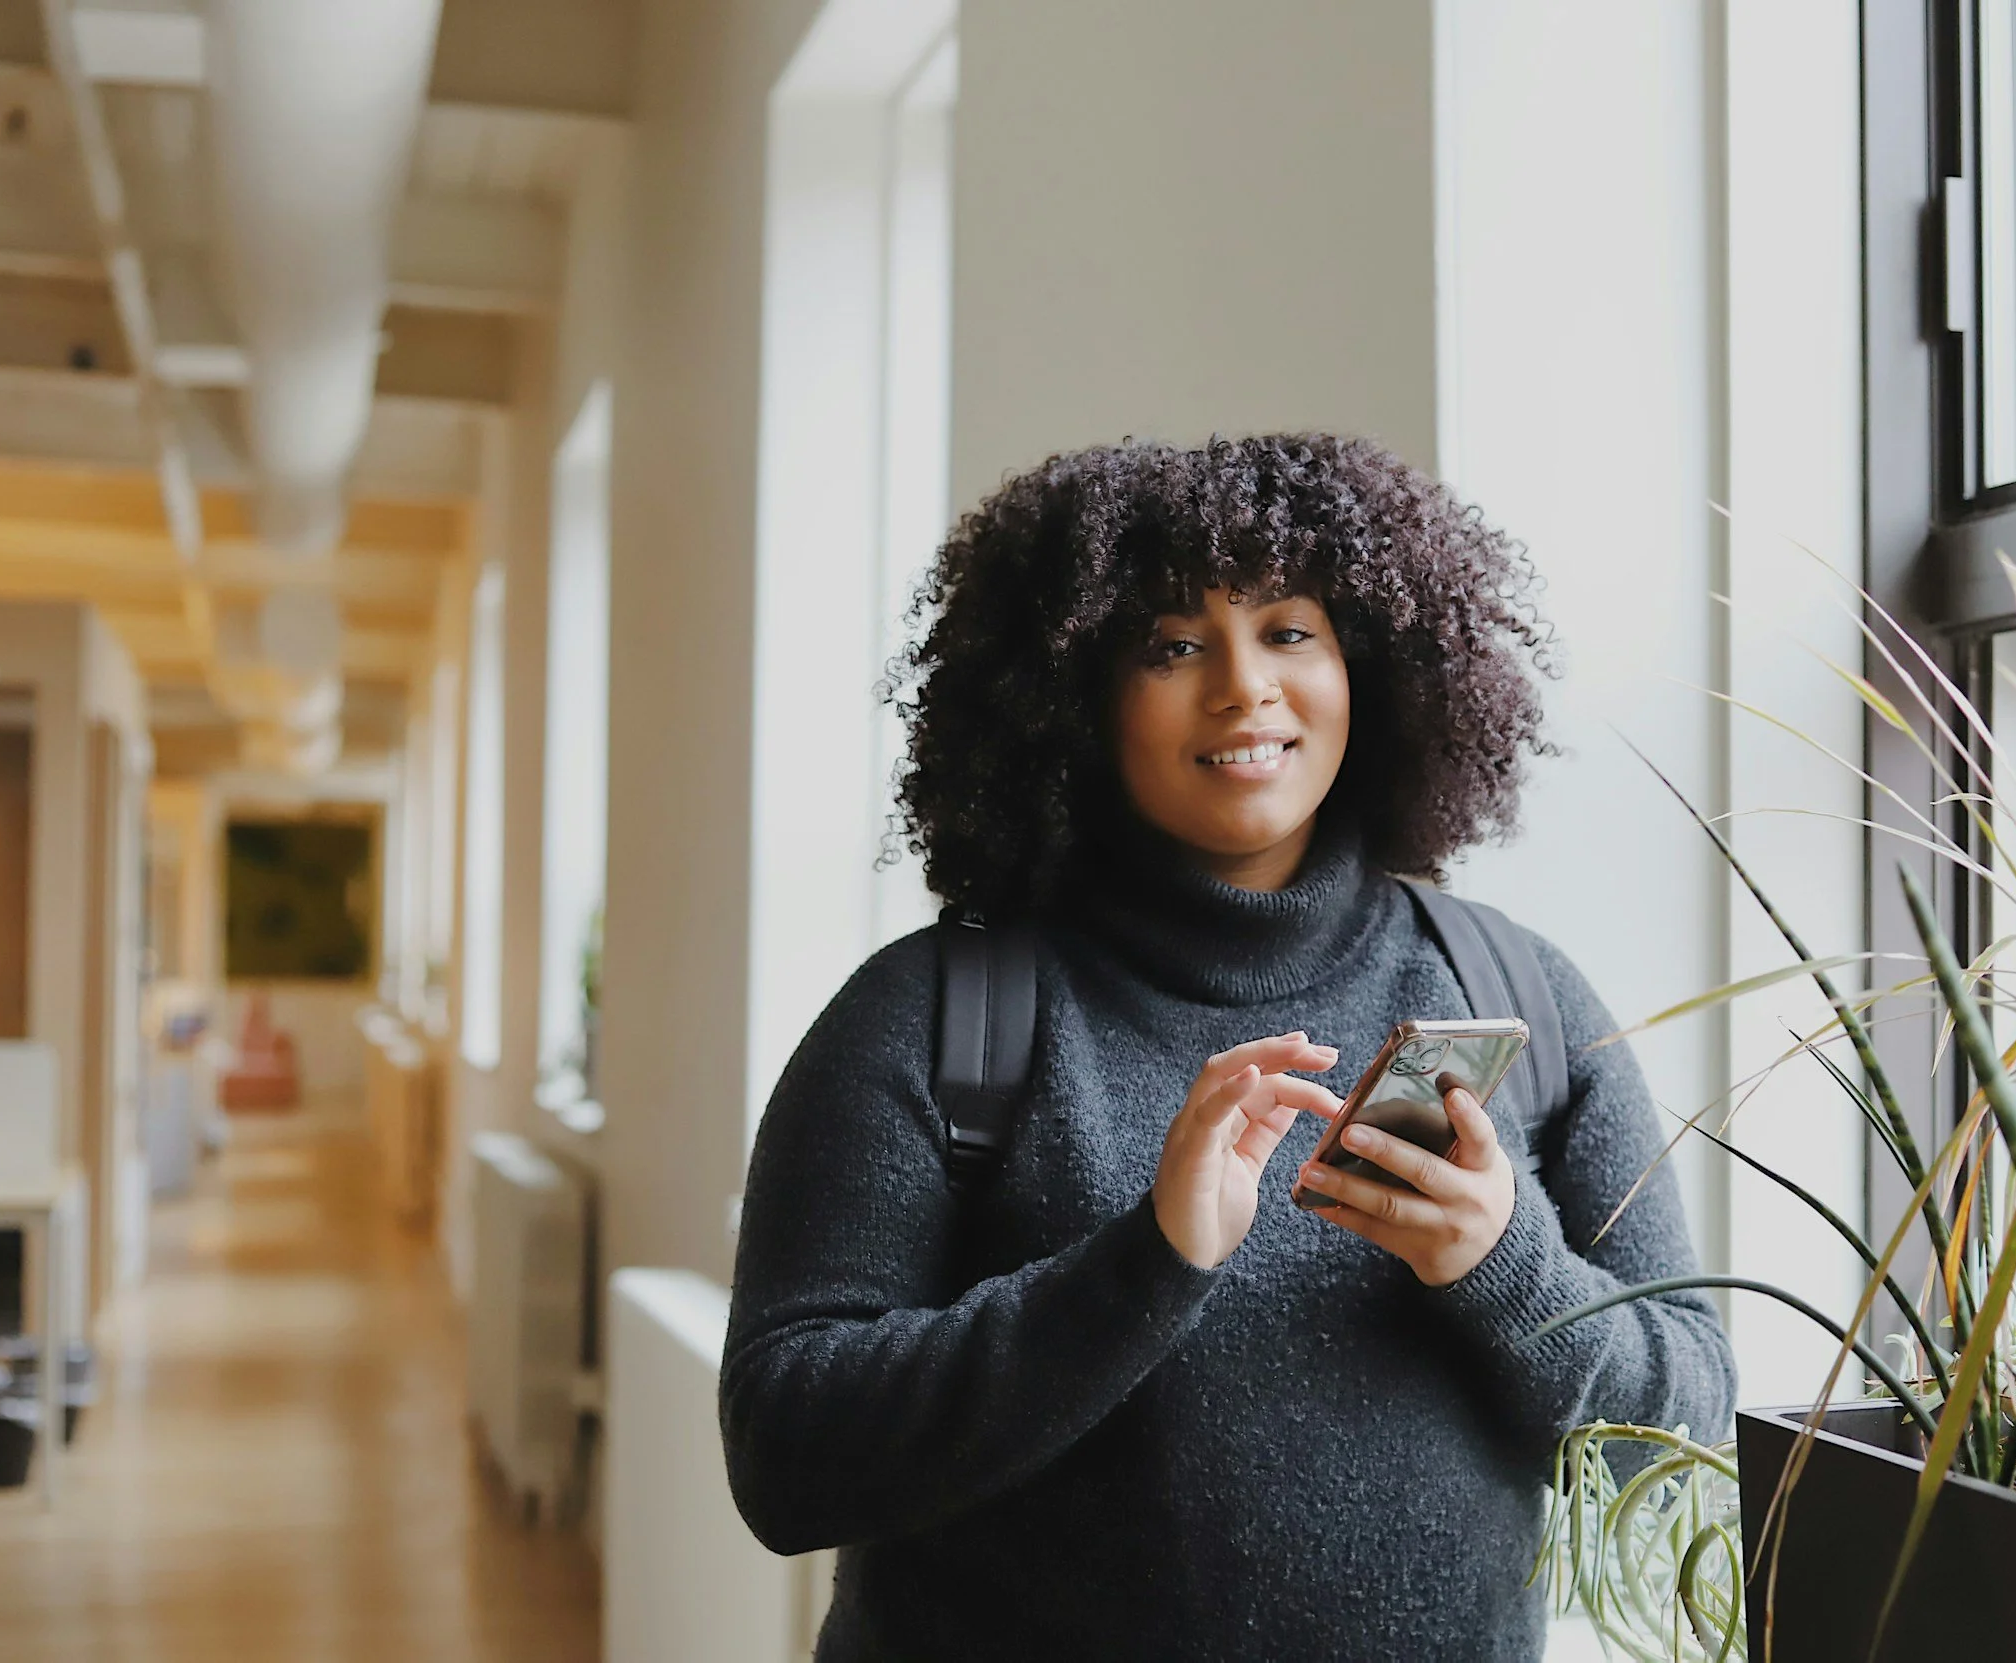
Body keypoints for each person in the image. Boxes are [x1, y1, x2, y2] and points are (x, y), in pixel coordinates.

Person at [722, 434, 1736, 1659]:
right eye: (1170, 646)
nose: (1243, 686)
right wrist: (1142, 1266)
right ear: (1072, 695)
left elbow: (1688, 1410)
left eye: (1288, 631)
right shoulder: (937, 1014)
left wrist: (1500, 1264)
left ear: (1370, 662)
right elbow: (786, 1456)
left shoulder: (1516, 987)